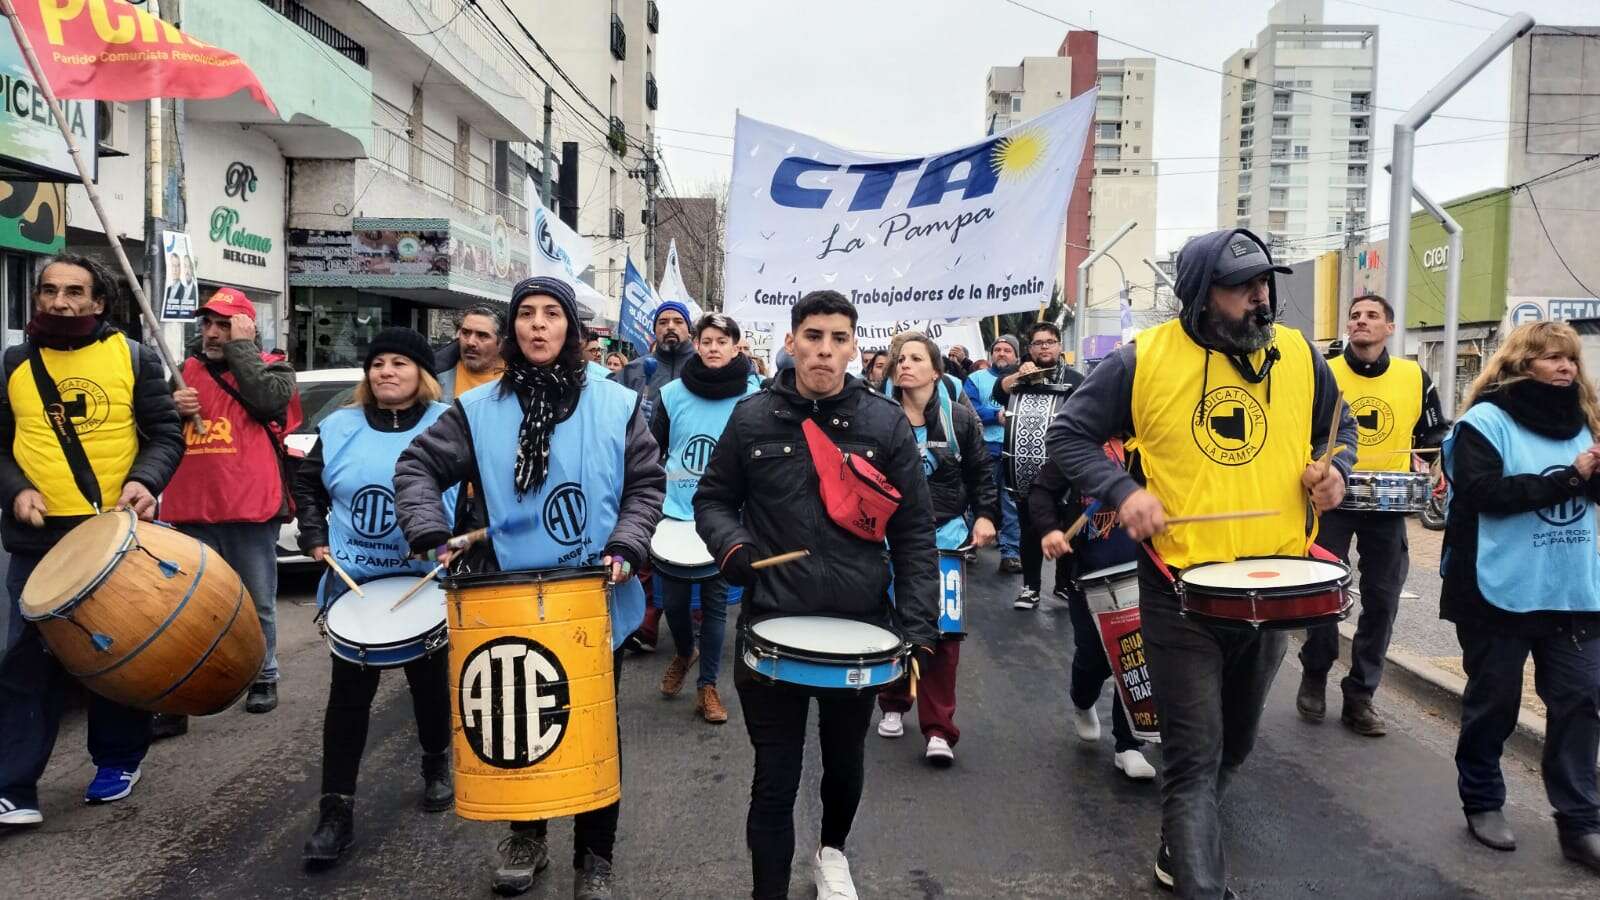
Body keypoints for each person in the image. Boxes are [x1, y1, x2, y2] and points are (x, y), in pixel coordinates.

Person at [1050, 228, 1356, 898]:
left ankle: (1176, 850)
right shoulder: (1142, 360)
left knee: (1236, 747)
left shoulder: (1301, 354)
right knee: (1193, 762)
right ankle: (1198, 880)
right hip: (1181, 593)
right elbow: (1067, 433)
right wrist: (1124, 492)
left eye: (1264, 283)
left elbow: (1342, 429)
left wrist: (1337, 473)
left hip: (1276, 590)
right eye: (1240, 286)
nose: (1260, 298)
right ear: (1197, 296)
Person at [395, 275, 663, 900]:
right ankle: (528, 836)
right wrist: (431, 530)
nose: (537, 325)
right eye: (526, 315)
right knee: (520, 720)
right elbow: (417, 466)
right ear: (513, 329)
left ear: (571, 328)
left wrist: (627, 544)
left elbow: (646, 486)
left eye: (551, 314)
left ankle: (595, 853)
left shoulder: (616, 404)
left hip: (594, 595)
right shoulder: (478, 409)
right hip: (508, 594)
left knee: (594, 726)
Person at [695, 290, 939, 900]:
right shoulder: (751, 417)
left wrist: (916, 628)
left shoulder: (884, 423)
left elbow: (913, 533)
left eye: (837, 338)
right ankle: (768, 889)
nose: (824, 350)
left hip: (859, 628)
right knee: (774, 779)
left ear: (855, 347)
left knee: (845, 762)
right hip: (771, 623)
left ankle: (832, 851)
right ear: (791, 340)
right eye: (812, 336)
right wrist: (732, 549)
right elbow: (712, 499)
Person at [0, 255, 184, 822]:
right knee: (29, 660)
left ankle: (118, 757)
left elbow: (165, 435)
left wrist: (145, 480)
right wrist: (15, 490)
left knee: (114, 653)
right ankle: (14, 786)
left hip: (115, 536)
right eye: (50, 290)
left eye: (75, 291)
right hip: (39, 540)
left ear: (98, 302)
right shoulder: (13, 362)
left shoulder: (132, 356)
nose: (60, 301)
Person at [292, 327, 458, 867]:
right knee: (346, 701)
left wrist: (465, 540)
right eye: (378, 363)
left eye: (400, 363)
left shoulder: (447, 423)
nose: (386, 371)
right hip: (354, 584)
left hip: (424, 582)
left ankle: (436, 763)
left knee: (430, 686)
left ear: (421, 374)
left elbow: (480, 488)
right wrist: (313, 535)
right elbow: (309, 486)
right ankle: (335, 811)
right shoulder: (338, 426)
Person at [1440, 321, 1600, 873]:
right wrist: (1572, 480)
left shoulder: (1587, 422)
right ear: (1521, 362)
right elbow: (1483, 493)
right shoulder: (1485, 422)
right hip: (1498, 591)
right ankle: (1482, 801)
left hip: (1571, 590)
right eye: (1553, 358)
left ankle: (1581, 822)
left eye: (1571, 359)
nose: (1566, 369)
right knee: (1495, 704)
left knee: (1581, 703)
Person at [1296, 294, 1448, 736]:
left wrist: (1439, 457)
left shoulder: (1413, 376)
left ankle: (1361, 695)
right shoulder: (1324, 371)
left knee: (1382, 601)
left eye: (1371, 316)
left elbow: (1435, 430)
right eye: (1355, 316)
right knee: (1323, 593)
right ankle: (1315, 671)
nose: (1361, 321)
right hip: (1331, 502)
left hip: (1388, 505)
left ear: (1389, 328)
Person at [163, 287, 300, 718]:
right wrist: (172, 407)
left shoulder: (276, 368)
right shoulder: (184, 371)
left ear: (245, 327)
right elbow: (154, 431)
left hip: (249, 507)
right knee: (192, 608)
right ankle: (192, 687)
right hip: (193, 508)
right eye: (207, 324)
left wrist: (243, 348)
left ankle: (264, 675)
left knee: (257, 600)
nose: (212, 333)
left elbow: (267, 400)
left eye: (224, 324)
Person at [873, 332, 996, 766]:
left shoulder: (960, 420)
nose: (904, 364)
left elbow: (982, 471)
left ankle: (940, 728)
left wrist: (986, 516)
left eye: (915, 358)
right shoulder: (879, 418)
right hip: (889, 540)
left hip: (945, 539)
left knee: (945, 637)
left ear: (935, 370)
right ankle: (891, 702)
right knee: (891, 623)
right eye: (899, 358)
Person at [650, 313, 763, 724]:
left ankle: (707, 687)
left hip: (725, 517)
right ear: (696, 345)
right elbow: (650, 452)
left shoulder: (753, 396)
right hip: (676, 516)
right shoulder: (671, 394)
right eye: (707, 340)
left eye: (722, 340)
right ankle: (685, 652)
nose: (714, 347)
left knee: (716, 606)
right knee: (675, 604)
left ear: (736, 346)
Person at [1030, 454, 1157, 781]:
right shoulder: (1079, 447)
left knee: (1134, 657)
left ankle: (1128, 745)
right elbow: (1042, 490)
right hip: (1088, 575)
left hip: (1142, 572)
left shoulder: (1150, 442)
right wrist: (1049, 529)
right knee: (1095, 658)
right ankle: (1082, 698)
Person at [612, 300, 694, 653]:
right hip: (643, 471)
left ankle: (696, 618)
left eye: (678, 321)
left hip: (688, 472)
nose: (670, 327)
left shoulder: (702, 367)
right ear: (654, 329)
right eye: (663, 321)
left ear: (689, 329)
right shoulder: (631, 371)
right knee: (644, 544)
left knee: (690, 545)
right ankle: (645, 621)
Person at [992, 321, 1085, 610]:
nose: (1044, 346)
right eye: (1038, 343)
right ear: (1030, 348)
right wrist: (1018, 376)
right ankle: (1031, 587)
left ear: (1059, 346)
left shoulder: (1075, 378)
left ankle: (1064, 584)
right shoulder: (1019, 373)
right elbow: (1000, 390)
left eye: (1050, 341)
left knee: (1069, 526)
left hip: (1065, 465)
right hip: (1025, 470)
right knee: (1030, 529)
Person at [964, 335, 1024, 575]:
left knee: (1011, 504)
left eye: (1007, 350)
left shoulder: (1025, 380)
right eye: (997, 349)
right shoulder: (975, 379)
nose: (1001, 353)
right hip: (984, 450)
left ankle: (1010, 553)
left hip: (1013, 450)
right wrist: (994, 414)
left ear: (1016, 356)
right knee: (976, 497)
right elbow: (970, 408)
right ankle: (969, 544)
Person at [436, 305, 505, 401]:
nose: (470, 342)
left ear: (501, 342)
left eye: (482, 335)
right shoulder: (435, 375)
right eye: (465, 333)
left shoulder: (520, 381)